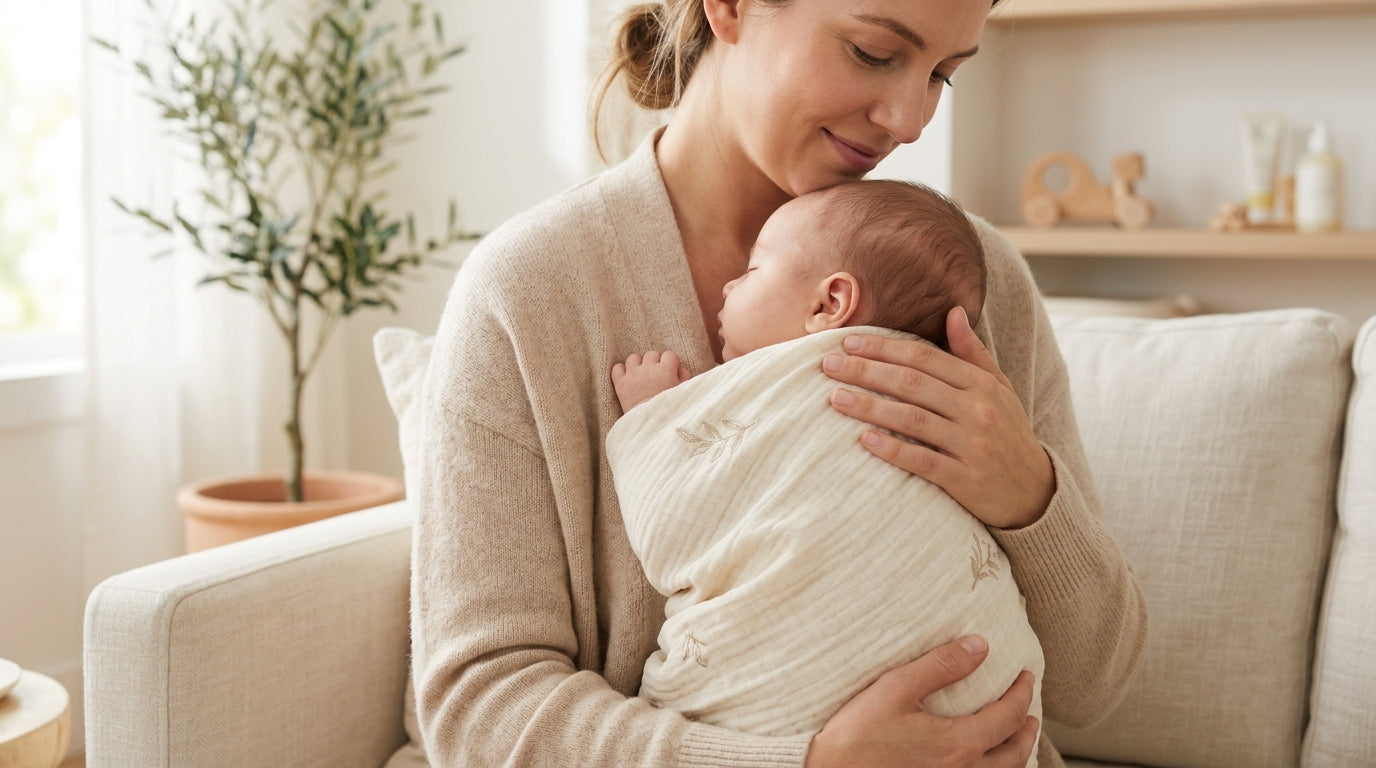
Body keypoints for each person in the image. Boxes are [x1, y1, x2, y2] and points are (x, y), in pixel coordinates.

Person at [412, 0, 1148, 765]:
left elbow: (1097, 687)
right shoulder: (532, 292)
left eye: (942, 76)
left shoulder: (970, 276)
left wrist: (1030, 495)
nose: (910, 119)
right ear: (727, 8)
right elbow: (479, 710)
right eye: (872, 52)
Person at [605, 179, 1045, 764]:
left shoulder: (949, 395)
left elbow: (674, 526)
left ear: (829, 305)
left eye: (753, 271)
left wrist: (655, 424)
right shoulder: (535, 276)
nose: (909, 120)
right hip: (955, 701)